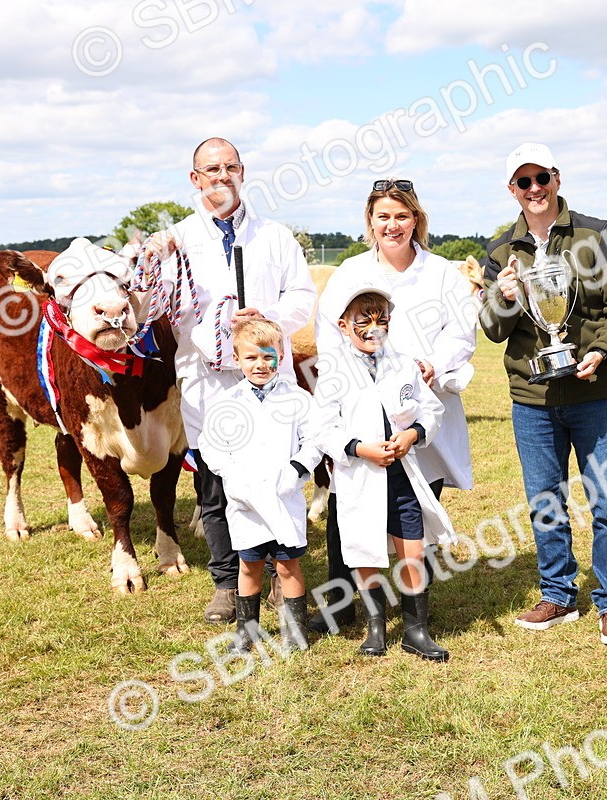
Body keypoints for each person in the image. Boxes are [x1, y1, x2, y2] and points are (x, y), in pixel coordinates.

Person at [144, 137, 316, 623]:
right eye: (210, 169)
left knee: (280, 473)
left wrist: (272, 317)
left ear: (243, 172)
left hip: (268, 377)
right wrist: (155, 260)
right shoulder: (175, 241)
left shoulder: (275, 236)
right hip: (207, 380)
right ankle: (227, 582)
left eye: (230, 167)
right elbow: (156, 310)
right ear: (194, 179)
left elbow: (302, 295)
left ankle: (286, 577)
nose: (221, 176)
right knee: (216, 480)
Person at [478, 142, 607, 646]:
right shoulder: (500, 250)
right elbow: (492, 328)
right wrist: (503, 300)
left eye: (541, 178)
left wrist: (601, 351)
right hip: (533, 397)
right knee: (545, 501)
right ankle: (558, 593)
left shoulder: (597, 234)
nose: (534, 190)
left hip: (595, 391)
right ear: (512, 189)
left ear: (557, 178)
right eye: (523, 182)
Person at [310, 178, 477, 633]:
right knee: (350, 512)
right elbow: (329, 334)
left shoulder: (442, 272)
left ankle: (413, 612)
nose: (393, 224)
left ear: (417, 220)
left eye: (402, 215)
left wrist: (434, 366)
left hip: (417, 403)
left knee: (413, 508)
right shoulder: (349, 271)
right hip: (359, 408)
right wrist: (345, 373)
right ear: (370, 222)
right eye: (383, 216)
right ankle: (342, 606)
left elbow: (462, 331)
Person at [315, 283, 456, 662]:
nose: (372, 328)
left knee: (412, 550)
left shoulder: (404, 364)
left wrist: (412, 435)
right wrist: (360, 449)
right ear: (344, 326)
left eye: (381, 321)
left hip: (402, 473)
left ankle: (415, 629)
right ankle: (375, 625)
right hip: (360, 475)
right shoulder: (333, 371)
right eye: (362, 321)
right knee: (364, 549)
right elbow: (321, 426)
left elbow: (431, 411)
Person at [197, 319, 323, 652]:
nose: (261, 364)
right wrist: (233, 477)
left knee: (287, 564)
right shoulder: (227, 402)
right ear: (236, 360)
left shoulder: (298, 399)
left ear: (281, 356)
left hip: (285, 497)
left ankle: (294, 632)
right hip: (246, 500)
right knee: (250, 565)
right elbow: (212, 446)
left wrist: (296, 470)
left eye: (269, 357)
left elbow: (313, 441)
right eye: (251, 358)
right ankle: (246, 631)